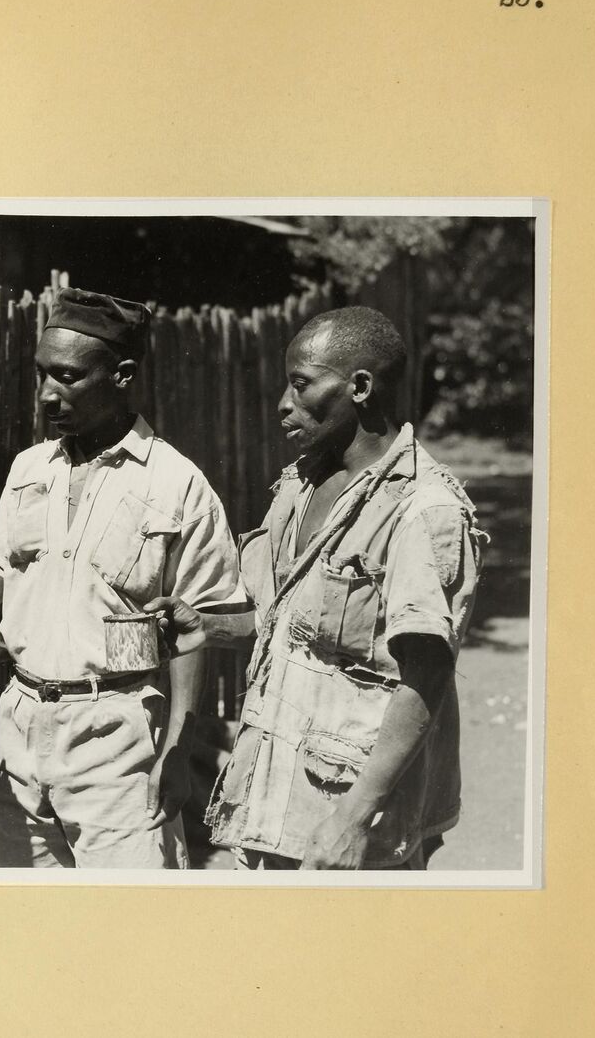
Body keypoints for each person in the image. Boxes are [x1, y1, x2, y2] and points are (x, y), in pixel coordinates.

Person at [0, 288, 243, 868]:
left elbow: (201, 626)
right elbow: (11, 589)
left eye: (67, 377)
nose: (46, 394)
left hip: (116, 742)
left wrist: (177, 750)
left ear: (122, 376)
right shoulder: (29, 469)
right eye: (41, 375)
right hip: (19, 734)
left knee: (128, 933)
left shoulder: (177, 484)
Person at [148, 306, 481, 869]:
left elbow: (424, 675)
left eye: (301, 384)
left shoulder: (423, 511)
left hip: (351, 820)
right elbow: (281, 623)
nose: (284, 403)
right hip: (273, 801)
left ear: (360, 387)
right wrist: (204, 626)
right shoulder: (300, 486)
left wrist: (353, 819)